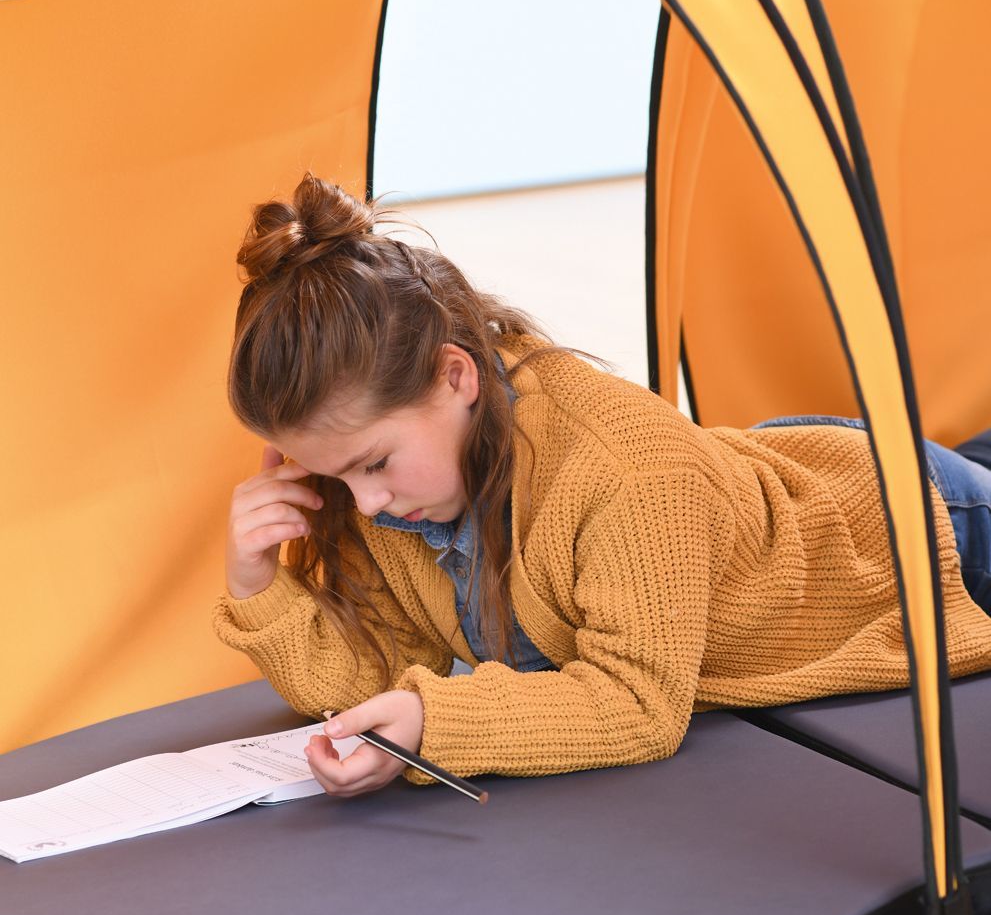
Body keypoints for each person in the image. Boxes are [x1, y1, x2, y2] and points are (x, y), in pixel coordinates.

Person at [213, 173, 991, 800]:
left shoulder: (624, 471)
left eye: (374, 464)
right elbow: (375, 675)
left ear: (457, 376)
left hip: (901, 524)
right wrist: (258, 586)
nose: (366, 503)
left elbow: (637, 705)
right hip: (740, 489)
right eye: (334, 477)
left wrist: (433, 720)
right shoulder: (385, 495)